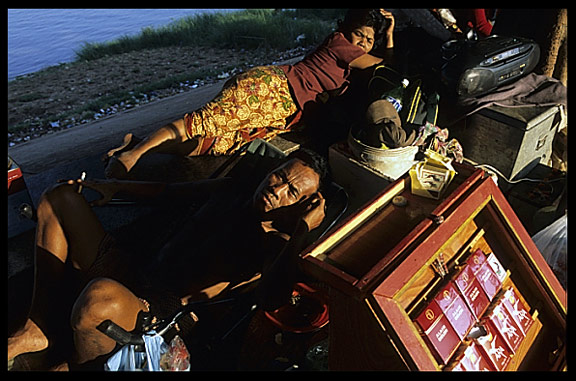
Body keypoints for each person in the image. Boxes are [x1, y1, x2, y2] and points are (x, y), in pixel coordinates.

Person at [8, 148, 328, 370]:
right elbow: (169, 191)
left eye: (292, 193)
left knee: (97, 300)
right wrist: (112, 186)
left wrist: (301, 230)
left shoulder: (276, 243)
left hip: (161, 314)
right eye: (280, 176)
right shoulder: (234, 190)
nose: (278, 189)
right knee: (58, 198)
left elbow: (273, 298)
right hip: (134, 269)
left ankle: (79, 365)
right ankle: (35, 329)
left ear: (302, 207)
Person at [103, 9, 395, 179]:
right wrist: (390, 35)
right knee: (206, 121)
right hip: (270, 89)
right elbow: (386, 66)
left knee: (216, 143)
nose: (364, 43)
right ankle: (134, 157)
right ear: (345, 29)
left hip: (281, 109)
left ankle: (137, 144)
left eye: (371, 40)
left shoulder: (348, 65)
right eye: (360, 34)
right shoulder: (339, 43)